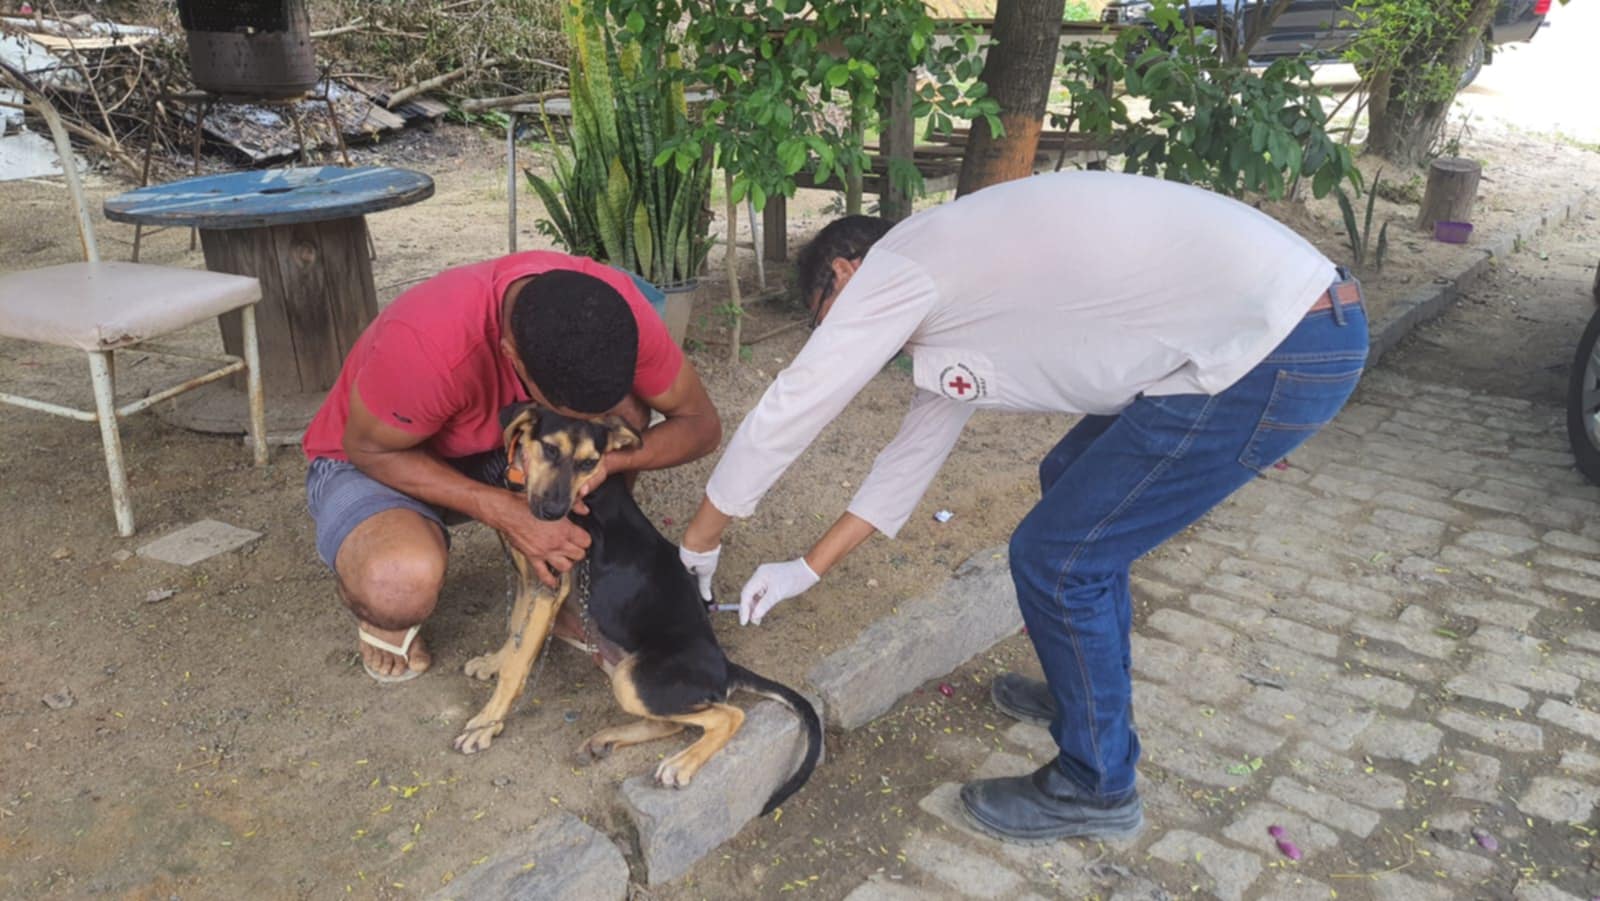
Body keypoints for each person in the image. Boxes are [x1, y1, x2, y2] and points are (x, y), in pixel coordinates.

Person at [676, 170, 1368, 842]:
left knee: (1058, 558)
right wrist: (807, 566)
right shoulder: (953, 289)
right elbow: (908, 460)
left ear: (848, 273)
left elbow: (794, 404)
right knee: (1068, 476)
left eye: (829, 321)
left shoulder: (900, 265)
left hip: (1275, 349)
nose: (845, 344)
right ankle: (1087, 696)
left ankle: (1097, 784)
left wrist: (698, 543)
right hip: (1275, 332)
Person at [303, 251, 720, 684]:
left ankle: (564, 579)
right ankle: (381, 600)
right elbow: (367, 450)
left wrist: (603, 463)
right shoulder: (428, 344)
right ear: (512, 358)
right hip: (382, 458)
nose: (587, 420)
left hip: (504, 444)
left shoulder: (611, 312)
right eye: (567, 409)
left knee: (627, 416)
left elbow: (701, 425)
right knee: (398, 585)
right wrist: (501, 509)